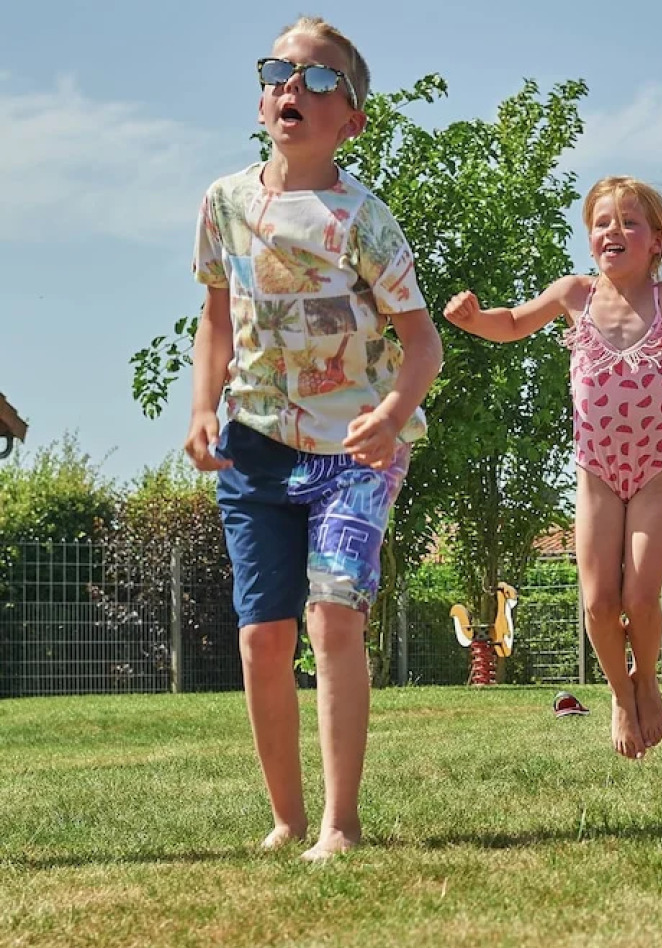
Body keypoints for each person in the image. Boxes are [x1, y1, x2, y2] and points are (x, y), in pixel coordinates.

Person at [185, 17, 444, 860]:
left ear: (353, 119)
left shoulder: (364, 220)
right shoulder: (225, 203)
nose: (293, 87)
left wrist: (393, 411)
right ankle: (287, 819)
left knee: (333, 618)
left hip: (357, 453)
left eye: (320, 80)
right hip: (255, 443)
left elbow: (424, 342)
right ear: (264, 98)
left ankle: (340, 823)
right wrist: (201, 407)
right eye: (279, 73)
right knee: (264, 636)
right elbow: (216, 316)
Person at [445, 177, 662, 758]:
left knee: (641, 598)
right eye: (603, 222)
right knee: (598, 601)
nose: (613, 231)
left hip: (654, 471)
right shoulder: (575, 294)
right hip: (596, 473)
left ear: (656, 242)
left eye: (629, 222)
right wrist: (474, 319)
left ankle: (647, 679)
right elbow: (515, 322)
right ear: (590, 237)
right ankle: (621, 694)